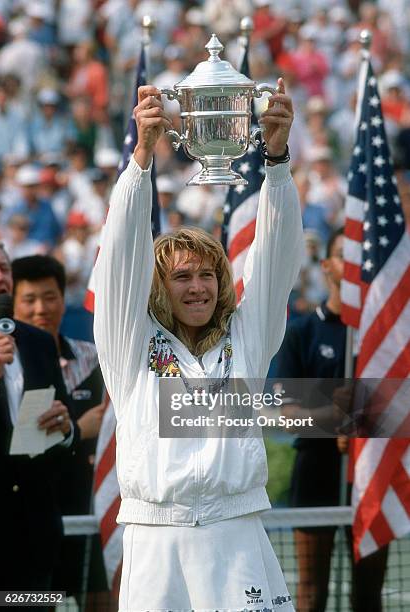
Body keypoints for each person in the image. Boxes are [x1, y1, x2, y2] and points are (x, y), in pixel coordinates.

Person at [93, 81, 303, 610]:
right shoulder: (129, 346)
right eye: (182, 276)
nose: (199, 286)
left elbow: (276, 262)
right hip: (155, 542)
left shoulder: (247, 342)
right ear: (159, 286)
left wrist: (275, 161)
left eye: (209, 275)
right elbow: (120, 255)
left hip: (237, 537)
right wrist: (141, 159)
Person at [274, 228, 389, 612]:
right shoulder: (303, 331)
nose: (353, 262)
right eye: (344, 254)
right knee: (311, 593)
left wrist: (361, 426)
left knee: (368, 594)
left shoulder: (385, 334)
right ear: (327, 266)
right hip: (315, 471)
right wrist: (332, 413)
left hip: (370, 471)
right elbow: (290, 420)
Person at [11, 254, 110, 606]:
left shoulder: (98, 359)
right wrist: (79, 431)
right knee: (35, 600)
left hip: (91, 509)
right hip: (32, 517)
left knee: (101, 601)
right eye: (30, 299)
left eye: (50, 297)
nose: (41, 308)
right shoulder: (9, 369)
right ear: (12, 302)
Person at [0, 241, 78, 602]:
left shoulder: (40, 343)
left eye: (4, 268)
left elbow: (65, 431)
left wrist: (66, 429)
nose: (0, 277)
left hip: (35, 543)